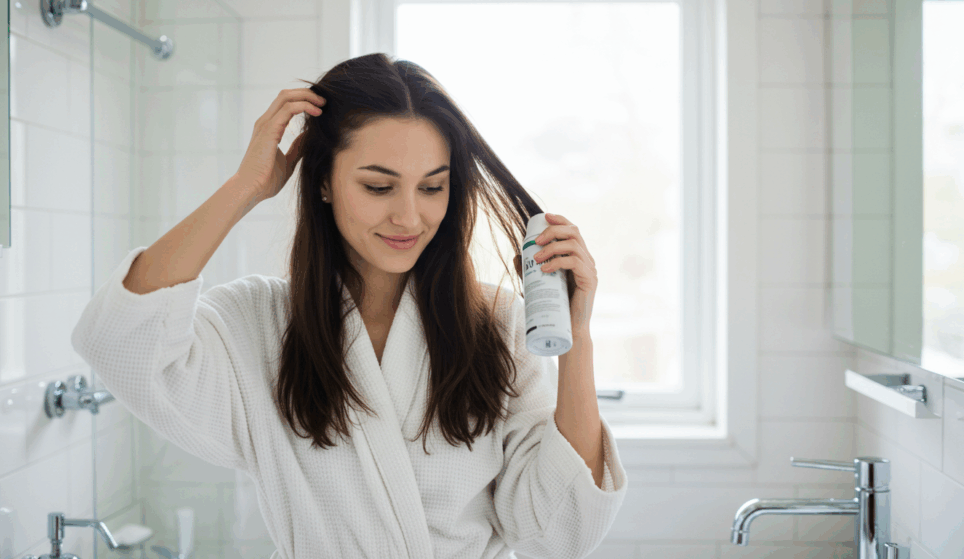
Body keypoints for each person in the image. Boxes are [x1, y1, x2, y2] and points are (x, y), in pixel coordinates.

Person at [71, 52, 626, 559]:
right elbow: (122, 340)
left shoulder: (496, 322)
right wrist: (246, 186)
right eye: (379, 188)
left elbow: (559, 531)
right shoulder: (261, 324)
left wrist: (577, 339)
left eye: (432, 188)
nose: (409, 218)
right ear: (325, 183)